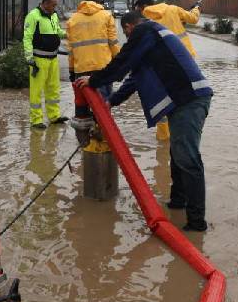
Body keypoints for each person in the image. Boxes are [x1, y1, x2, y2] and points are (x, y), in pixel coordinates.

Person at [76, 12, 214, 231]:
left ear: (130, 26)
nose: (127, 37)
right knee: (177, 153)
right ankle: (178, 202)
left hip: (189, 100)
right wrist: (111, 101)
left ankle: (197, 223)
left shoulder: (145, 30)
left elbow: (121, 63)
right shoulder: (153, 39)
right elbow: (133, 79)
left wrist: (94, 80)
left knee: (188, 158)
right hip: (185, 100)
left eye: (125, 33)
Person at [132, 0, 202, 141]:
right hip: (186, 62)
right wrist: (196, 8)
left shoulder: (143, 21)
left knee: (163, 100)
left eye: (138, 9)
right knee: (185, 100)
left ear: (143, 7)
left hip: (162, 66)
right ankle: (183, 134)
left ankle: (163, 140)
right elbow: (193, 19)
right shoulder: (173, 9)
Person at [65, 0, 119, 121]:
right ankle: (102, 133)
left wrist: (71, 70)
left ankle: (84, 137)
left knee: (82, 104)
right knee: (103, 104)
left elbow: (71, 49)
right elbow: (113, 42)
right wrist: (118, 62)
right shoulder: (106, 15)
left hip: (81, 69)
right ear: (98, 3)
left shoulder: (72, 20)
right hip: (103, 68)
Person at [23, 0, 68, 129]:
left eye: (56, 5)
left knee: (53, 89)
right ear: (46, 3)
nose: (55, 8)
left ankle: (54, 116)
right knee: (36, 91)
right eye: (53, 5)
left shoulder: (53, 15)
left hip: (53, 58)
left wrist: (66, 34)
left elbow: (57, 31)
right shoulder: (33, 15)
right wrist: (29, 58)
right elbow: (27, 37)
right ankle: (36, 120)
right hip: (39, 60)